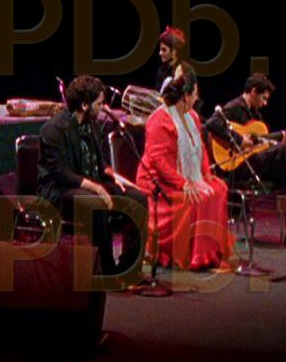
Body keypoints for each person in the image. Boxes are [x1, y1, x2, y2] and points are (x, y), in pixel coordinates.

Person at [37, 75, 147, 276]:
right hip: (61, 190)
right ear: (85, 105)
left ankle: (129, 268)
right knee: (95, 202)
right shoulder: (53, 130)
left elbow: (100, 163)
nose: (104, 108)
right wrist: (97, 188)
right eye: (100, 103)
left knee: (137, 198)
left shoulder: (93, 125)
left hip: (90, 184)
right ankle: (106, 271)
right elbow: (61, 173)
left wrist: (115, 177)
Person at [205, 73, 286, 248]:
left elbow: (262, 146)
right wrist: (239, 139)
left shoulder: (256, 116)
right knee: (283, 152)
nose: (265, 103)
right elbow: (211, 124)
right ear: (253, 91)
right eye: (263, 98)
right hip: (236, 166)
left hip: (255, 164)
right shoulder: (234, 107)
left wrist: (282, 143)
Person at [136, 73, 234, 270]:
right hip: (159, 182)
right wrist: (183, 184)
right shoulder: (159, 120)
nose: (197, 98)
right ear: (185, 97)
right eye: (194, 94)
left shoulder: (193, 117)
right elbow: (158, 161)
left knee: (219, 188)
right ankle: (194, 256)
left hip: (188, 175)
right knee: (198, 196)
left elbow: (201, 148)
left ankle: (211, 252)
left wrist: (205, 175)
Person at [155, 26, 196, 94]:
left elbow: (189, 94)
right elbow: (157, 95)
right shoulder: (162, 70)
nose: (160, 53)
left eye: (164, 50)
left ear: (174, 51)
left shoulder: (186, 70)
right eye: (160, 49)